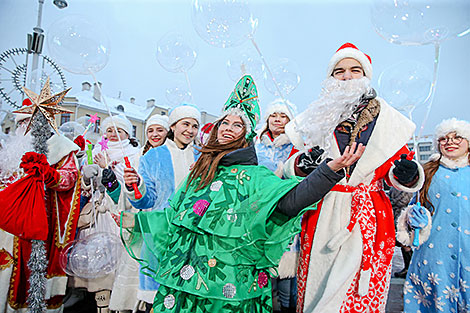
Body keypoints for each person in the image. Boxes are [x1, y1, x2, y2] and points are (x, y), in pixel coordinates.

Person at [121, 75, 365, 312]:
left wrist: (326, 172)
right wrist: (135, 220)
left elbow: (288, 204)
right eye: (224, 123)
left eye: (237, 125)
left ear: (247, 133)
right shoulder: (201, 170)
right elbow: (172, 217)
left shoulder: (254, 175)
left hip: (230, 286)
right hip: (187, 283)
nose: (228, 128)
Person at [284, 43, 425, 312]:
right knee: (318, 291)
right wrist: (303, 162)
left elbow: (399, 168)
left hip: (369, 218)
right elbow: (291, 167)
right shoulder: (314, 116)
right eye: (339, 71)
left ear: (366, 75)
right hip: (322, 213)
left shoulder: (388, 121)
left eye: (354, 70)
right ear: (330, 78)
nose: (347, 76)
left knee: (359, 298)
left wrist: (405, 174)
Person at [0, 109, 81, 312]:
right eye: (22, 122)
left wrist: (49, 174)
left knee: (27, 275)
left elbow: (69, 178)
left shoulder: (60, 146)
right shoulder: (10, 148)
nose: (25, 126)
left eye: (31, 121)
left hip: (37, 224)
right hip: (5, 224)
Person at [123, 103, 201, 312]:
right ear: (173, 126)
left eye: (195, 126)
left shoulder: (202, 157)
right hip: (161, 233)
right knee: (157, 294)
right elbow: (146, 201)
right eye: (185, 124)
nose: (190, 130)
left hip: (195, 233)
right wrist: (135, 185)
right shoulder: (153, 157)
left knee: (188, 291)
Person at [399, 118, 470, 312]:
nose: (450, 142)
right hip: (435, 252)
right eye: (444, 138)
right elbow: (414, 206)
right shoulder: (429, 171)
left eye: (457, 137)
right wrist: (413, 218)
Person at [72, 113, 140, 313]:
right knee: (96, 256)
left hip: (117, 210)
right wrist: (87, 176)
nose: (113, 134)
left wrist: (108, 171)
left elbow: (129, 184)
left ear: (127, 133)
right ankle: (101, 302)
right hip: (97, 212)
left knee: (117, 257)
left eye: (118, 130)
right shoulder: (96, 151)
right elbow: (86, 187)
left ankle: (120, 302)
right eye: (109, 130)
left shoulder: (135, 153)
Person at [102, 114, 169, 313]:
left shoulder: (174, 157)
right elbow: (126, 194)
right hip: (140, 225)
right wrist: (113, 185)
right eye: (150, 130)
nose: (155, 134)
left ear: (168, 131)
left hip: (164, 226)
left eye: (160, 130)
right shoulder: (137, 157)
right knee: (136, 273)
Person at [255, 99, 299, 313]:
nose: (278, 120)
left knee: (286, 276)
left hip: (287, 213)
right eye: (274, 115)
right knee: (262, 275)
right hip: (260, 213)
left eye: (283, 116)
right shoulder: (256, 146)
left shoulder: (297, 146)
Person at [388, 186, 413, 279]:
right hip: (395, 216)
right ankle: (407, 267)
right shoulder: (394, 187)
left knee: (404, 243)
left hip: (403, 217)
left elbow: (406, 200)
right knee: (401, 242)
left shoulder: (408, 187)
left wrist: (392, 202)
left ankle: (409, 267)